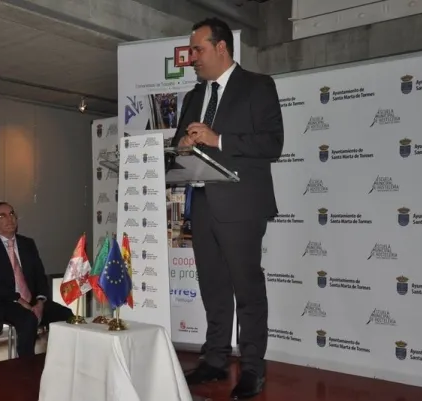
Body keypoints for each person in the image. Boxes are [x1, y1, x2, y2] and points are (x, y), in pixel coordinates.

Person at [171, 17, 284, 399]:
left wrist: (218, 139)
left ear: (221, 47)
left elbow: (272, 143)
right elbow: (179, 142)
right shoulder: (193, 96)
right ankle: (215, 359)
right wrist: (182, 146)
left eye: (198, 50)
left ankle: (252, 368)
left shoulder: (258, 86)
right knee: (213, 287)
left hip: (242, 203)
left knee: (247, 288)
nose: (192, 58)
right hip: (203, 203)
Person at [0, 201, 74, 358]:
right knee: (28, 319)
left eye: (12, 214)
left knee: (66, 314)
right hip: (4, 301)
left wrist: (40, 301)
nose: (9, 219)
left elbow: (40, 275)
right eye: (2, 216)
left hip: (32, 300)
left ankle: (59, 359)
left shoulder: (27, 243)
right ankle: (25, 365)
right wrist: (21, 301)